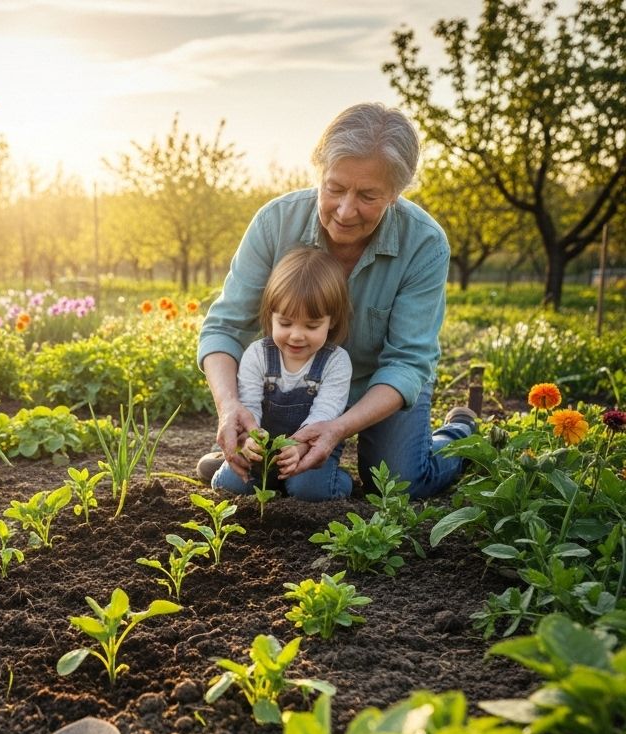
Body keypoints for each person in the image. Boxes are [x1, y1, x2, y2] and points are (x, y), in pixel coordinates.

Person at [197, 102, 476, 500]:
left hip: (377, 385)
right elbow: (223, 327)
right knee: (267, 474)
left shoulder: (424, 244)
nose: (345, 211)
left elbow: (407, 363)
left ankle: (460, 434)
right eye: (334, 188)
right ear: (320, 174)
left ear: (395, 194)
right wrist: (230, 408)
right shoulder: (275, 223)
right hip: (292, 385)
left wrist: (338, 426)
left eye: (367, 195)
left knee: (399, 485)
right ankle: (250, 463)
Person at [208, 246, 353, 495]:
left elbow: (325, 414)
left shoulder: (336, 361)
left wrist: (299, 447)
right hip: (263, 446)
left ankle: (338, 480)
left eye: (312, 325)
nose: (296, 336)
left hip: (312, 447)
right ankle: (224, 466)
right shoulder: (258, 355)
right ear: (271, 316)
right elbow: (249, 408)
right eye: (285, 323)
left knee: (308, 490)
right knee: (229, 485)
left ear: (332, 321)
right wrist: (250, 442)